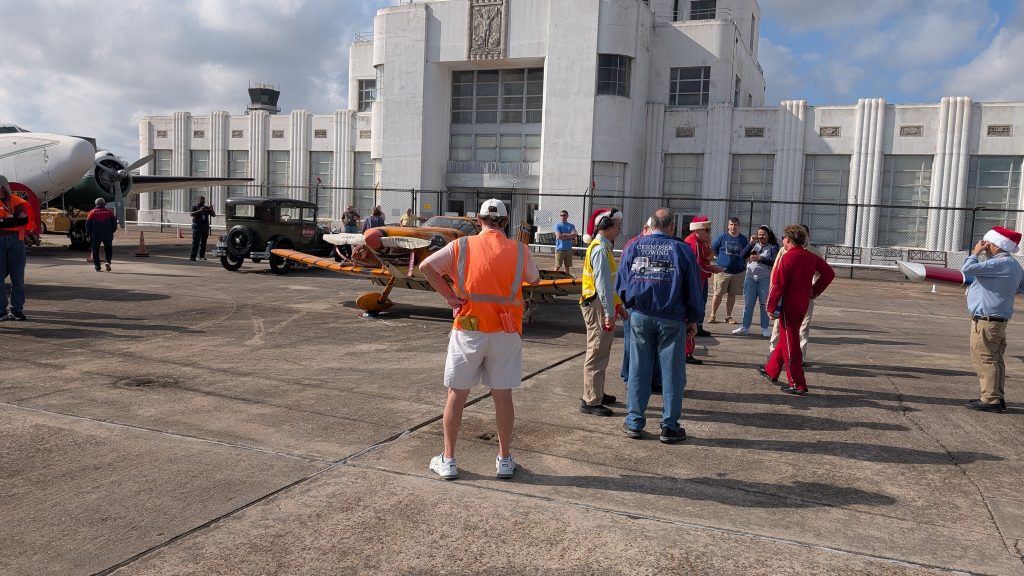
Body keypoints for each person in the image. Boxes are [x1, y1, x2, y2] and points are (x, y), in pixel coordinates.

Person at [419, 198, 540, 480]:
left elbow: (426, 266)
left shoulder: (462, 246)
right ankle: (504, 459)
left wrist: (450, 296)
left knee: (457, 394)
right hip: (506, 331)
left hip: (469, 327)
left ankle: (448, 460)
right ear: (506, 222)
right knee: (502, 396)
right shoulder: (520, 251)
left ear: (478, 219)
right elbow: (533, 280)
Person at [616, 207, 700, 444]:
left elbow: (621, 282)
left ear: (652, 224)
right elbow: (693, 287)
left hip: (640, 314)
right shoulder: (682, 250)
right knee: (672, 372)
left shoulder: (634, 246)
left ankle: (634, 421)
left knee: (638, 368)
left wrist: (629, 304)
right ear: (672, 226)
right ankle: (669, 426)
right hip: (672, 318)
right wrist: (693, 318)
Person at [760, 225, 834, 395]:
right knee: (788, 338)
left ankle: (797, 383)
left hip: (789, 305)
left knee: (790, 342)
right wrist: (815, 290)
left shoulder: (787, 258)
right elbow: (829, 273)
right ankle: (771, 370)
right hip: (803, 304)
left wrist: (770, 307)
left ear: (789, 240)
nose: (782, 241)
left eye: (783, 238)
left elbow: (778, 285)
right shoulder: (810, 256)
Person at [960, 226, 1024, 412]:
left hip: (986, 321)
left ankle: (990, 399)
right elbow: (1021, 287)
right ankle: (997, 395)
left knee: (985, 358)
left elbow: (967, 269)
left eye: (988, 244)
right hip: (998, 321)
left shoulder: (998, 264)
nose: (986, 247)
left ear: (997, 245)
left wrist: (975, 252)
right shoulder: (1014, 265)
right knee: (996, 359)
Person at [579, 207, 627, 417]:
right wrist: (609, 311)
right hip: (598, 305)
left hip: (601, 304)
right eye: (617, 225)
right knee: (597, 350)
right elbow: (603, 285)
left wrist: (618, 307)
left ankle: (596, 390)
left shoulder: (603, 247)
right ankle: (591, 400)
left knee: (601, 350)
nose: (619, 229)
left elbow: (610, 285)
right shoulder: (600, 249)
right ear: (606, 226)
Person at [767, 224, 823, 361]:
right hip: (785, 297)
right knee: (779, 326)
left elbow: (823, 273)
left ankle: (800, 355)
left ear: (807, 236)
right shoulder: (784, 251)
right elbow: (776, 273)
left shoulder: (814, 253)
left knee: (804, 326)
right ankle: (774, 352)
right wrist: (772, 293)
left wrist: (814, 289)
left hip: (805, 297)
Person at [683, 216, 722, 363]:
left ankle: (687, 351)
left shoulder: (698, 242)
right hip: (693, 286)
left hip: (696, 284)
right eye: (706, 230)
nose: (709, 233)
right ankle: (687, 352)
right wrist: (711, 269)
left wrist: (707, 243)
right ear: (698, 230)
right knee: (690, 319)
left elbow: (709, 255)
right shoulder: (693, 244)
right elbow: (696, 267)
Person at [733, 225, 779, 337]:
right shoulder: (754, 245)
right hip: (750, 278)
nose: (761, 236)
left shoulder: (773, 246)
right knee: (748, 303)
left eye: (763, 234)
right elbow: (742, 255)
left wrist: (760, 258)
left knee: (764, 304)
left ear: (768, 235)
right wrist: (750, 243)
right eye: (759, 234)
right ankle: (745, 327)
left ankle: (765, 328)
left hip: (765, 278)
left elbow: (774, 261)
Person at [0, 175, 30, 321]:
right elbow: (18, 220)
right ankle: (1, 310)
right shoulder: (16, 202)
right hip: (8, 239)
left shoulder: (16, 201)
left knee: (17, 278)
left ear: (5, 187)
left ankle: (17, 310)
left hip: (16, 241)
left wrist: (5, 222)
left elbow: (24, 219)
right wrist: (10, 221)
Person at [709, 217, 747, 324]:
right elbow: (713, 250)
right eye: (731, 224)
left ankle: (728, 316)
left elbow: (746, 253)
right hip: (722, 272)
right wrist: (720, 260)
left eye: (735, 225)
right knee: (718, 293)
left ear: (739, 226)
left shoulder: (743, 239)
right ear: (728, 226)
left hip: (737, 272)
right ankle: (713, 315)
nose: (733, 227)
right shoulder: (722, 237)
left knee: (732, 294)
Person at [86, 198, 117, 272]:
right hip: (107, 234)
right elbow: (114, 224)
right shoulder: (109, 212)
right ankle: (107, 261)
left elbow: (88, 225)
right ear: (104, 204)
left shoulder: (92, 212)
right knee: (108, 249)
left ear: (96, 204)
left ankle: (97, 267)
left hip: (95, 235)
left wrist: (88, 234)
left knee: (95, 250)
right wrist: (111, 232)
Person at [189, 196, 216, 261]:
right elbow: (191, 214)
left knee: (204, 242)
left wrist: (212, 210)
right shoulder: (194, 207)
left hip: (205, 226)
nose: (203, 202)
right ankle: (193, 257)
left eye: (203, 201)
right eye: (201, 201)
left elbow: (214, 215)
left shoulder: (206, 207)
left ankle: (202, 256)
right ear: (198, 200)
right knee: (196, 242)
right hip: (197, 226)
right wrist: (200, 210)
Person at [553, 210, 578, 274]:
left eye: (564, 215)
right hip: (560, 249)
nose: (562, 217)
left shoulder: (571, 226)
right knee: (557, 267)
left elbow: (574, 235)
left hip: (568, 249)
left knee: (567, 267)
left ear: (567, 216)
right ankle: (552, 280)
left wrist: (565, 234)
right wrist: (569, 236)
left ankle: (566, 281)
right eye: (561, 215)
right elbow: (558, 236)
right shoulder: (557, 225)